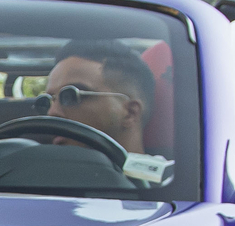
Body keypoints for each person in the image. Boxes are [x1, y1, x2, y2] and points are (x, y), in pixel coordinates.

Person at [42, 42, 170, 186]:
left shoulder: (169, 182)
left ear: (130, 112)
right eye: (48, 101)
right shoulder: (34, 172)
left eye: (71, 96)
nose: (52, 112)